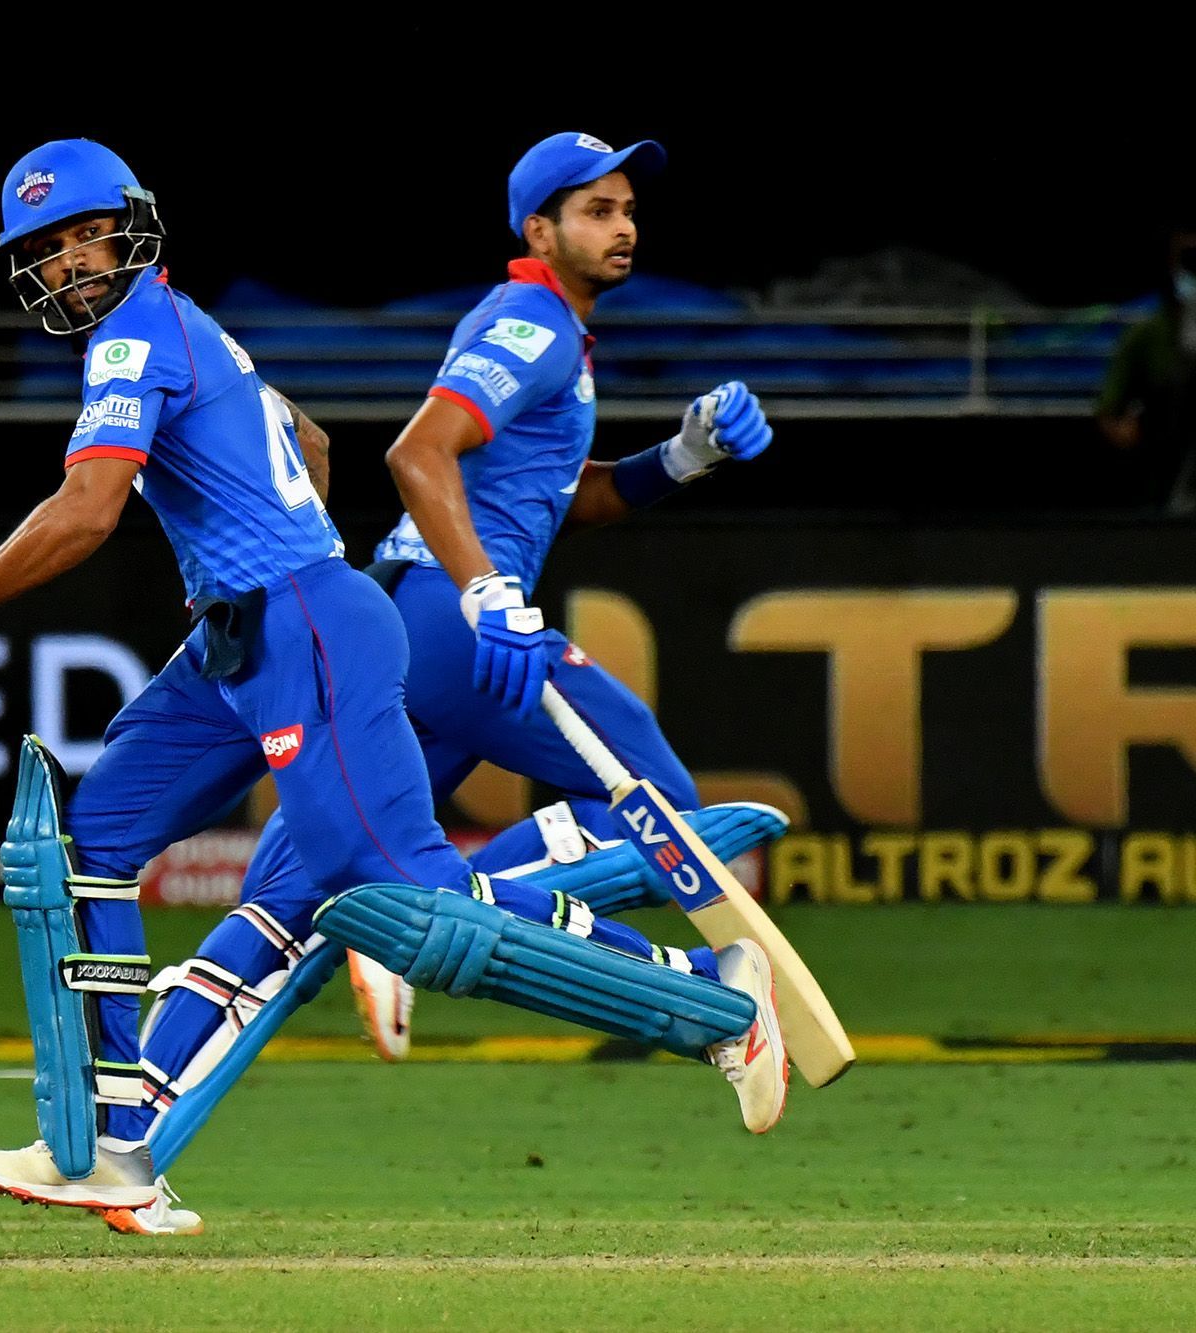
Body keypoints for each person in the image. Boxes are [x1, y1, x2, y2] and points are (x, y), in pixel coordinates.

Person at [0, 138, 785, 1237]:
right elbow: (303, 438)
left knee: (406, 898)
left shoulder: (137, 334)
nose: (69, 262)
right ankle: (113, 1148)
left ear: (132, 225)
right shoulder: (184, 323)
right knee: (90, 839)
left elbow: (87, 509)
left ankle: (710, 1001)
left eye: (84, 234)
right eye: (46, 249)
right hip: (243, 634)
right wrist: (245, 547)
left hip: (307, 623)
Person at [131, 132, 795, 1216]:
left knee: (280, 909)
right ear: (538, 230)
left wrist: (681, 461)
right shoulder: (527, 322)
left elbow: (554, 494)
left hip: (412, 624)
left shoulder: (555, 340)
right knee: (663, 815)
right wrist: (487, 588)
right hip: (449, 623)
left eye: (627, 207)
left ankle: (123, 1144)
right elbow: (417, 454)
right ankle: (656, 978)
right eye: (593, 210)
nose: (621, 225)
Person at [1097, 230, 1196, 515]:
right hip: (1166, 473)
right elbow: (1110, 412)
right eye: (1191, 262)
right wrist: (1128, 435)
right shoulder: (1146, 335)